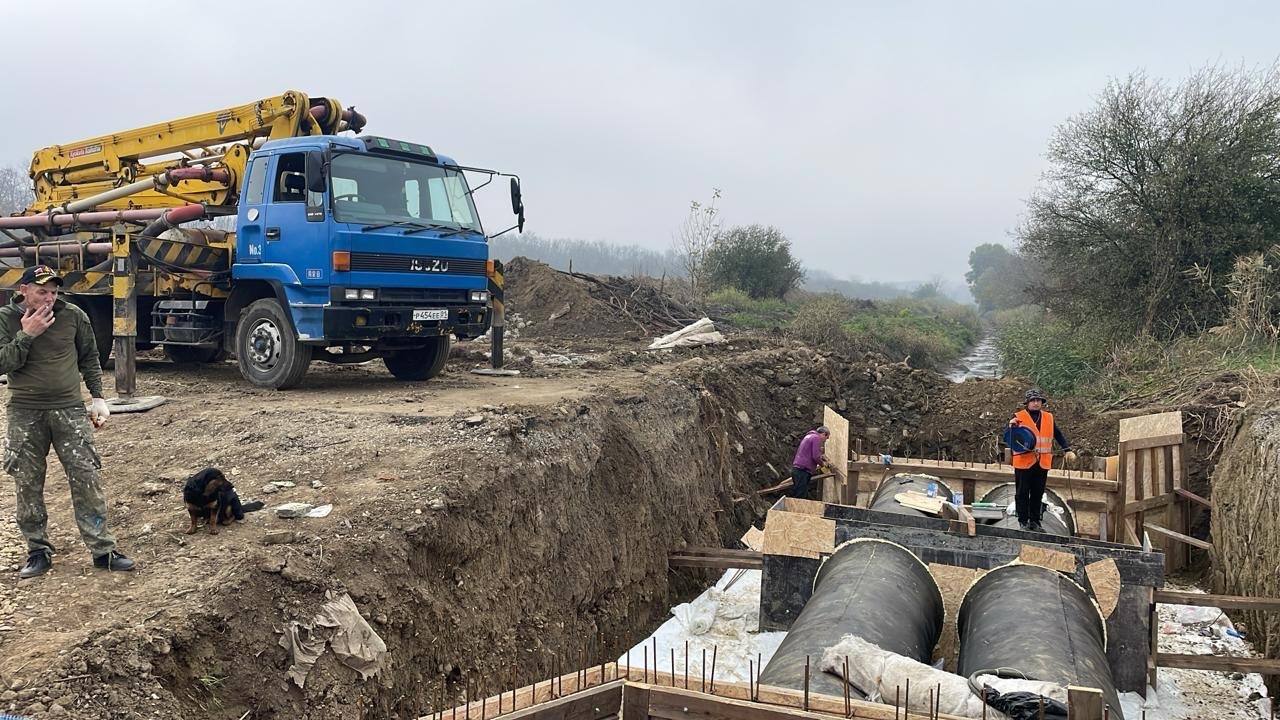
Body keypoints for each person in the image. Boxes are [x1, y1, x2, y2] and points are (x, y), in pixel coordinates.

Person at [0, 265, 134, 578]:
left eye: (54, 291)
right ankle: (38, 551)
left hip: (69, 410)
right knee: (28, 483)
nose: (49, 298)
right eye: (42, 291)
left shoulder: (73, 315)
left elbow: (89, 356)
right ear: (24, 289)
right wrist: (27, 335)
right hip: (25, 410)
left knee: (86, 477)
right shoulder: (6, 318)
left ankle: (103, 550)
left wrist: (98, 398)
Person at [1008, 387, 1077, 532]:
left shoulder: (1048, 417)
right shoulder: (1018, 417)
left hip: (1042, 462)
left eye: (1038, 400)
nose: (1036, 403)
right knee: (1022, 493)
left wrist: (1067, 449)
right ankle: (1022, 521)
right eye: (1032, 400)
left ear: (1041, 402)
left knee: (1037, 493)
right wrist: (1011, 427)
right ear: (1027, 403)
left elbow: (1057, 434)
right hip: (1024, 463)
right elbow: (1009, 437)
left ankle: (1035, 521)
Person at [789, 426, 830, 499]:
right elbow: (815, 456)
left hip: (798, 469)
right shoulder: (816, 438)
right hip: (802, 470)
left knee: (800, 493)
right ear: (824, 434)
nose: (825, 440)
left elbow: (810, 453)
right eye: (826, 438)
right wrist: (823, 464)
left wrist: (822, 456)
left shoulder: (809, 436)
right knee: (800, 496)